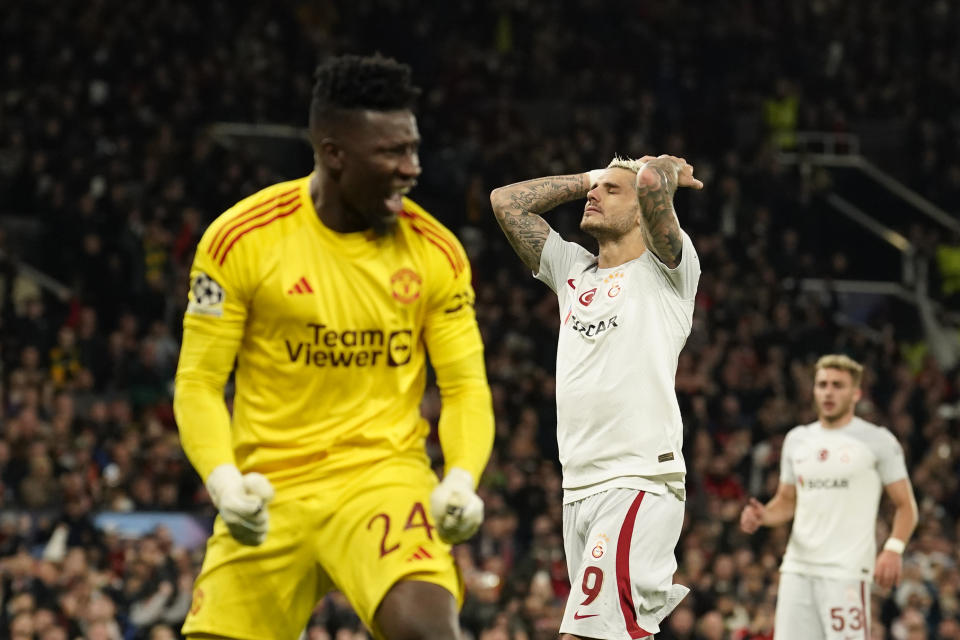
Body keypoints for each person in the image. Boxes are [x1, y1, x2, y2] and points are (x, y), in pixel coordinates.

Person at [173, 54, 495, 640]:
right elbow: (197, 382)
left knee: (427, 630)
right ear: (333, 153)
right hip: (269, 487)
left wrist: (462, 478)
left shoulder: (436, 253)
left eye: (414, 148)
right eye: (392, 153)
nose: (411, 168)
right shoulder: (241, 239)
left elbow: (465, 386)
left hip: (383, 479)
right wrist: (222, 482)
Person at [490, 154, 704, 639]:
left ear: (641, 211)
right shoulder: (573, 272)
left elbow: (651, 183)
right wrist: (592, 176)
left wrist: (659, 174)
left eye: (612, 191)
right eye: (595, 188)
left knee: (583, 634)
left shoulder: (669, 270)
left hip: (638, 479)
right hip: (578, 489)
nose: (593, 195)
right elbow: (506, 203)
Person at [740, 354, 919, 640]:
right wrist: (763, 516)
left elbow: (906, 505)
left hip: (845, 571)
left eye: (838, 385)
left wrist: (894, 548)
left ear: (856, 393)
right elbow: (786, 501)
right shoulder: (797, 440)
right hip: (797, 569)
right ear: (814, 390)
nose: (829, 392)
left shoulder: (878, 440)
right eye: (822, 384)